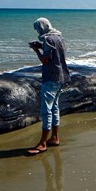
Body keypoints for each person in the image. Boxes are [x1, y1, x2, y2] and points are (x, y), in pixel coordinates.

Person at [28, 18, 71, 154]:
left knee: (46, 110)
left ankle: (42, 143)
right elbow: (56, 52)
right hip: (62, 76)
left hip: (51, 77)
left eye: (37, 28)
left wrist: (36, 50)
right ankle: (55, 137)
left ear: (41, 27)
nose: (37, 31)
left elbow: (45, 60)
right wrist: (41, 46)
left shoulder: (47, 39)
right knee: (55, 108)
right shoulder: (59, 37)